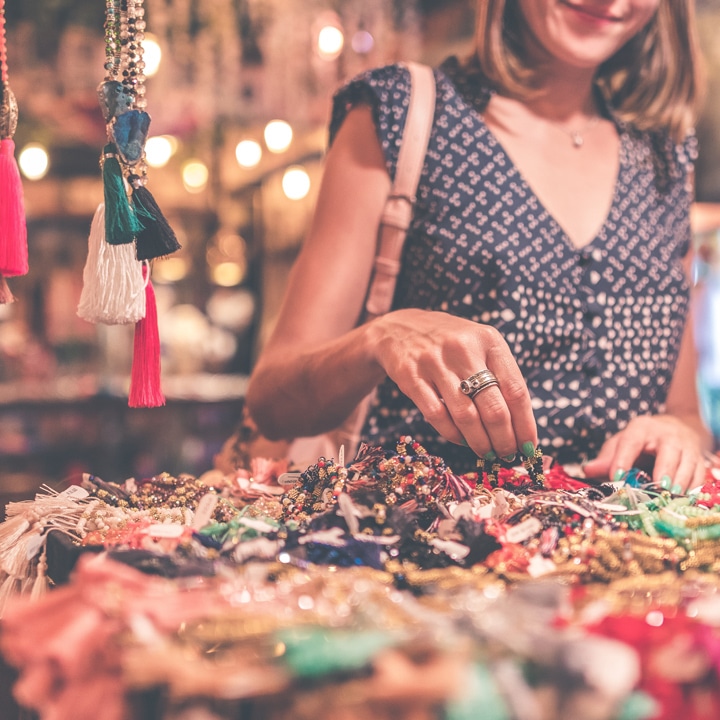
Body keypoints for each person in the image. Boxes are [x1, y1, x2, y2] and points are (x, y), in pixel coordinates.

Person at [246, 0, 712, 490]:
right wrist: (380, 337)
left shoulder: (664, 152)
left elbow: (686, 414)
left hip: (628, 555)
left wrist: (678, 432)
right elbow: (273, 402)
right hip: (423, 546)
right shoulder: (403, 111)